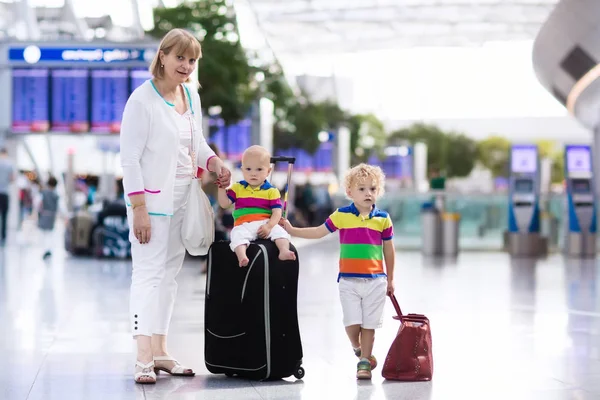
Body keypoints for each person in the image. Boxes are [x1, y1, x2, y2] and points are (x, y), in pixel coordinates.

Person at [120, 28, 231, 384]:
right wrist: (138, 207)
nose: (186, 66)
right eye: (179, 57)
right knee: (148, 275)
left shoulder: (190, 96)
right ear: (163, 57)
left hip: (184, 197)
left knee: (169, 277)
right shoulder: (142, 101)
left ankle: (161, 351)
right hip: (151, 203)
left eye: (192, 60)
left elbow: (196, 143)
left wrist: (214, 163)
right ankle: (142, 358)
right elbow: (130, 159)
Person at [281, 163, 395, 380]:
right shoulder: (342, 215)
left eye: (372, 189)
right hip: (349, 281)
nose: (368, 193)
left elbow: (389, 249)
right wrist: (292, 230)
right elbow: (318, 232)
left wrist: (390, 279)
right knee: (352, 324)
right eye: (361, 189)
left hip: (376, 281)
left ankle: (364, 363)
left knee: (369, 324)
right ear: (350, 192)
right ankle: (358, 347)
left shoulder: (383, 219)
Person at [217, 145, 296, 267]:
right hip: (243, 224)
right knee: (236, 234)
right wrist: (222, 188)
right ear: (242, 170)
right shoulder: (237, 188)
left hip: (265, 223)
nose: (253, 173)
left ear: (268, 171)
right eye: (248, 169)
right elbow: (224, 204)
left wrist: (269, 226)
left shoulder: (271, 191)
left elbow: (276, 213)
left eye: (259, 169)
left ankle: (284, 251)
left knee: (280, 232)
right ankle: (242, 256)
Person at [37, 176, 63, 260]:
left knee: (43, 234)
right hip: (51, 216)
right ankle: (48, 249)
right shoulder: (56, 195)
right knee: (49, 234)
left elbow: (38, 203)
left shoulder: (43, 193)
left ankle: (45, 249)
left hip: (44, 215)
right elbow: (59, 207)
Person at [0, 148, 15, 244]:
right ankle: (3, 237)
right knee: (4, 216)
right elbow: (12, 178)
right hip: (5, 193)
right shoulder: (10, 164)